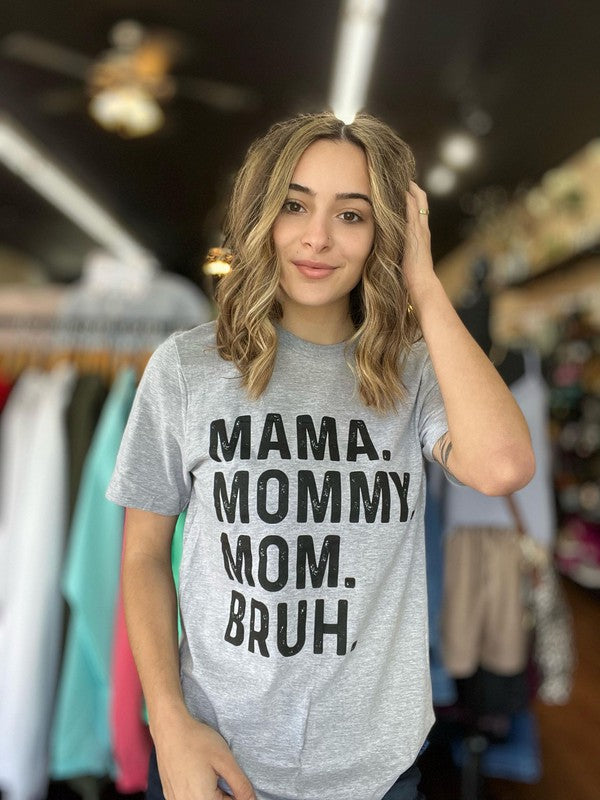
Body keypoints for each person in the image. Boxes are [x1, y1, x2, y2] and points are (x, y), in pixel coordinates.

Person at [106, 111, 535, 800]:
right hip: (214, 758)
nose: (317, 237)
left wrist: (425, 286)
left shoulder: (415, 370)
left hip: (374, 769)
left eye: (352, 215)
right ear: (262, 215)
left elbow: (503, 467)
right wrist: (168, 722)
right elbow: (142, 555)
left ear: (385, 235)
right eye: (294, 205)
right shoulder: (188, 367)